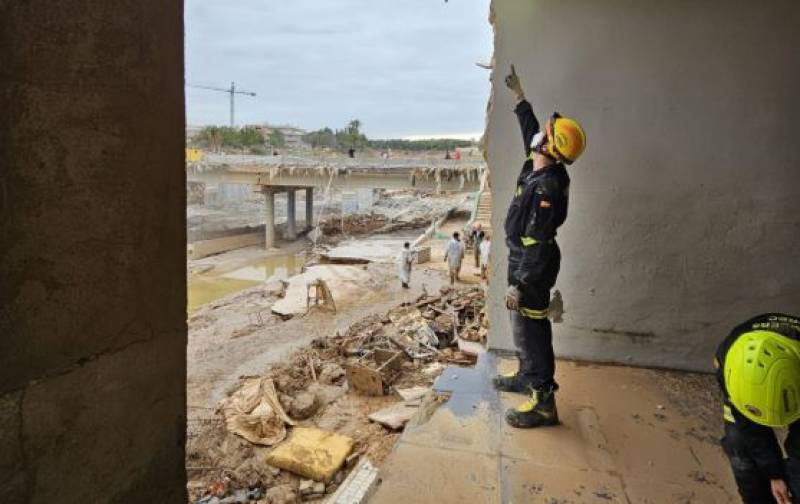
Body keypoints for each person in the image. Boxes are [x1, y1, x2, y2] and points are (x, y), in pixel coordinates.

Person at [493, 64, 587, 429]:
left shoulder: (546, 187)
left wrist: (521, 282)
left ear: (550, 147)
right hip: (525, 260)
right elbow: (530, 131)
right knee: (521, 327)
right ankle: (525, 377)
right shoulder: (543, 162)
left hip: (532, 265)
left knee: (533, 331)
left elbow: (537, 242)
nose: (540, 133)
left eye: (546, 132)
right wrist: (520, 97)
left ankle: (543, 401)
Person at [715, 313, 800, 504]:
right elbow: (750, 428)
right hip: (744, 392)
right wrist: (774, 475)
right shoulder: (729, 362)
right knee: (740, 447)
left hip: (794, 375)